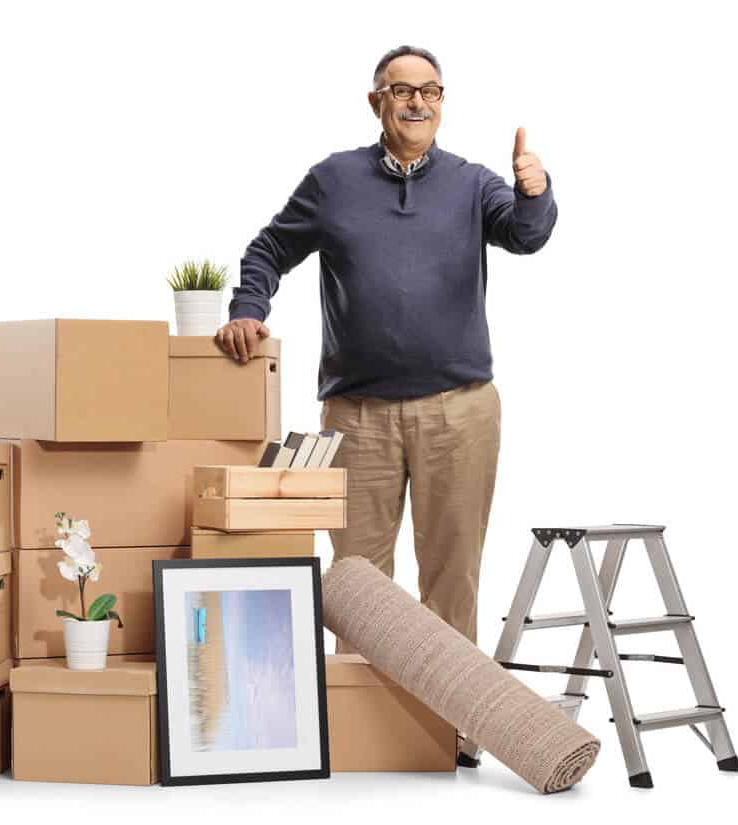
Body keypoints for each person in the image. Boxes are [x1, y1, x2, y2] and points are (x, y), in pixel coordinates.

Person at [215, 44, 556, 652]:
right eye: (402, 91)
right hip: (356, 417)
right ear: (377, 102)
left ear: (443, 103)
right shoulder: (334, 180)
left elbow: (525, 236)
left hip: (460, 413)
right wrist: (247, 309)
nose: (417, 102)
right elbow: (268, 249)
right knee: (358, 586)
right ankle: (366, 731)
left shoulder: (473, 184)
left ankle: (444, 737)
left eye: (430, 91)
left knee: (452, 579)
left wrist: (535, 191)